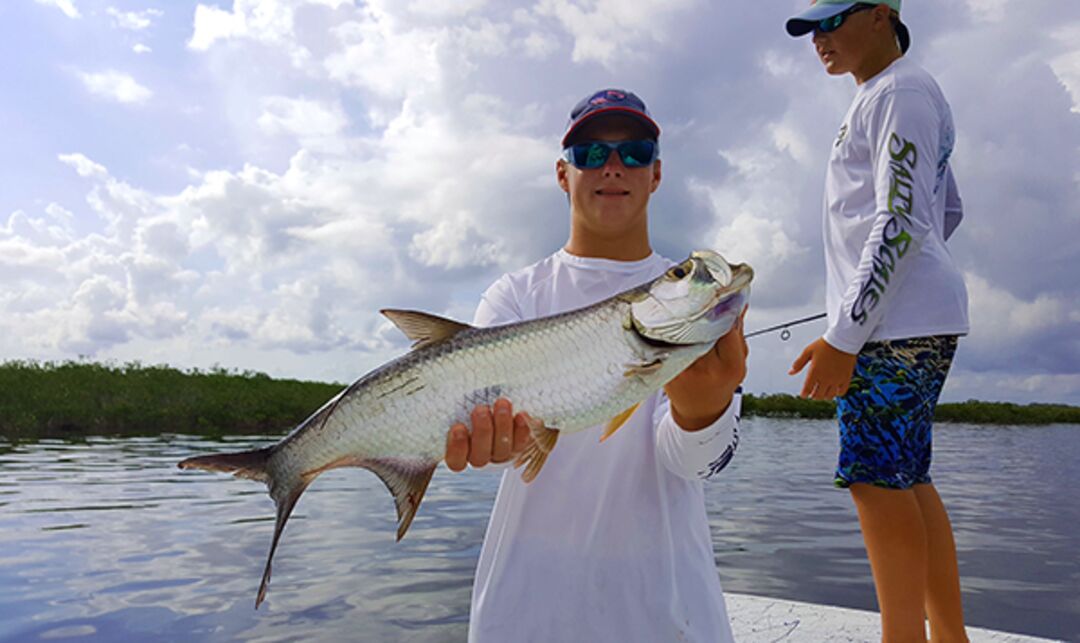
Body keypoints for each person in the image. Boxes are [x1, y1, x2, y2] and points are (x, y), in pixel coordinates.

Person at [442, 88, 749, 642]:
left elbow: (695, 465)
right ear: (563, 174)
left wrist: (705, 410)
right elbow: (491, 442)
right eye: (590, 154)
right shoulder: (515, 296)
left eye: (634, 152)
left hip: (668, 611)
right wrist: (491, 444)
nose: (613, 167)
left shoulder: (696, 310)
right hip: (527, 609)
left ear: (657, 175)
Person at [784, 3, 970, 642]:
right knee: (907, 479)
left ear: (882, 14)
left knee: (873, 482)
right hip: (903, 318)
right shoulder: (889, 94)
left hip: (891, 331)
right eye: (812, 28)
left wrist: (844, 334)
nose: (820, 38)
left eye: (832, 20)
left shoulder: (900, 90)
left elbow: (901, 220)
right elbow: (947, 210)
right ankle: (949, 637)